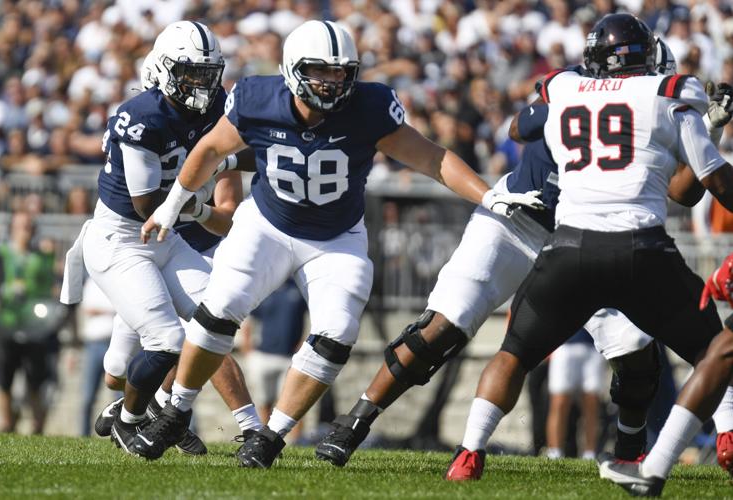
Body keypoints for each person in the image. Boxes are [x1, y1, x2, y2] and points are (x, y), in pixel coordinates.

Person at [134, 19, 543, 465]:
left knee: (336, 333)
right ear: (292, 69)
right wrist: (172, 205)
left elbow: (430, 157)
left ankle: (270, 437)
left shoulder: (370, 106)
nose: (331, 82)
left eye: (340, 72)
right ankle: (176, 410)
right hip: (268, 224)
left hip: (336, 238)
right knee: (218, 309)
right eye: (319, 71)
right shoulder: (256, 97)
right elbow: (211, 149)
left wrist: (489, 195)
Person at [312, 36, 722, 468]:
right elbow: (517, 128)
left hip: (586, 236)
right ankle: (356, 420)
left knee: (637, 354)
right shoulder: (576, 90)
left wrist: (708, 129)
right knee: (440, 328)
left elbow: (683, 193)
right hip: (518, 218)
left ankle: (628, 455)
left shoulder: (648, 107)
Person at [441, 14, 733, 497]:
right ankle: (726, 437)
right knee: (715, 349)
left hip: (569, 247)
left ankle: (469, 454)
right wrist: (709, 126)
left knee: (514, 353)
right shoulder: (669, 93)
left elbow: (518, 128)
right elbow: (710, 184)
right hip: (641, 249)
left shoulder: (563, 89)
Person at [60, 20, 258, 455]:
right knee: (163, 343)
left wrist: (224, 165)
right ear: (165, 69)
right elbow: (147, 204)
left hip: (164, 239)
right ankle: (131, 420)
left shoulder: (213, 107)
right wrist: (210, 178)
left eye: (208, 74)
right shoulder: (142, 116)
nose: (201, 84)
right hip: (123, 240)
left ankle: (159, 412)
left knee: (217, 319)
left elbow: (248, 154)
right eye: (191, 73)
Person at [0, 211, 63, 434]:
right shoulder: (2, 253)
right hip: (7, 324)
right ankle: (7, 423)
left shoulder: (43, 256)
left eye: (29, 226)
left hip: (36, 327)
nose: (25, 231)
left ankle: (37, 427)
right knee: (4, 377)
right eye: (21, 226)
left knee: (37, 380)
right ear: (12, 229)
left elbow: (55, 284)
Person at [240, 279, 308, 423]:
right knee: (264, 401)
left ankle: (297, 440)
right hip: (262, 355)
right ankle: (264, 438)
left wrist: (304, 346)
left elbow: (309, 318)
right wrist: (247, 349)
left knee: (293, 402)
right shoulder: (264, 288)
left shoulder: (299, 289)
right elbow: (249, 319)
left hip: (290, 357)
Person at [545, 329, 606, 460]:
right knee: (559, 403)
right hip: (563, 345)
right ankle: (554, 452)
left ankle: (590, 454)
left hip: (594, 346)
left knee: (592, 404)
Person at [77, 276, 115, 437]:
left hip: (115, 344)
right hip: (95, 344)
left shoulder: (119, 280)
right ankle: (83, 435)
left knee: (119, 396)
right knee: (87, 396)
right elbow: (89, 308)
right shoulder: (92, 283)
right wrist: (112, 309)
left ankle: (119, 434)